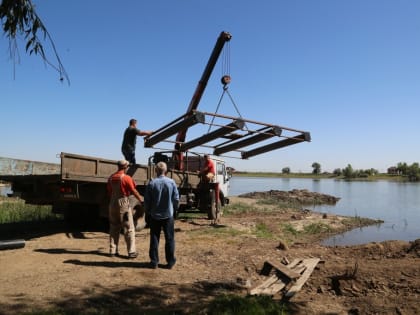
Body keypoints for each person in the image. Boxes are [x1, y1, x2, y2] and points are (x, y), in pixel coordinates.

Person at [144, 161, 179, 269]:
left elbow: (147, 201)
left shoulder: (151, 183)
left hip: (154, 215)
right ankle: (170, 262)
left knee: (154, 238)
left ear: (156, 171)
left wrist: (148, 212)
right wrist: (175, 209)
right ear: (166, 171)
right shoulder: (171, 182)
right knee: (169, 239)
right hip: (168, 215)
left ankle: (154, 262)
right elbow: (176, 199)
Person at [107, 159, 143, 259]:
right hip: (123, 203)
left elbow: (109, 192)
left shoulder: (111, 178)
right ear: (125, 167)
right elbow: (133, 190)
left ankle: (113, 251)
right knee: (129, 228)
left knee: (114, 227)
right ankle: (131, 252)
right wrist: (141, 199)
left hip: (112, 203)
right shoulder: (126, 178)